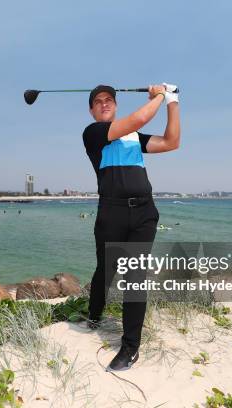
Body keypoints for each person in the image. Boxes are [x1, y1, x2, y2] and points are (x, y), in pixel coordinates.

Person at [83, 84, 180, 371]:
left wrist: (172, 100)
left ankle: (130, 347)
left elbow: (172, 141)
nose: (103, 104)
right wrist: (159, 96)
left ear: (115, 104)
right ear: (92, 110)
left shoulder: (134, 138)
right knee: (105, 269)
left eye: (108, 100)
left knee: (135, 276)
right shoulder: (93, 133)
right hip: (110, 213)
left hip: (143, 213)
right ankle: (94, 312)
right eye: (98, 101)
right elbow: (139, 118)